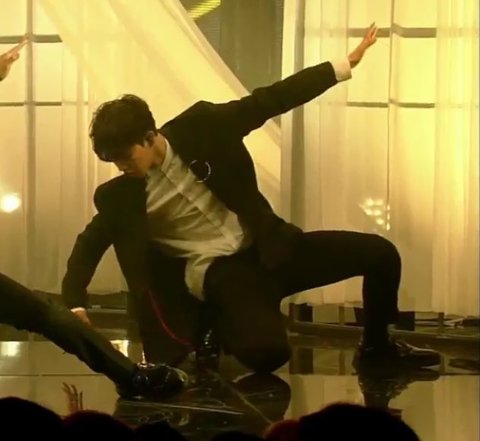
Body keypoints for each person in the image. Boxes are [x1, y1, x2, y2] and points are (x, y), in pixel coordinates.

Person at [62, 23, 441, 373]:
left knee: (380, 254)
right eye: (113, 161)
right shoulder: (121, 197)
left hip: (269, 248)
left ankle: (376, 348)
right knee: (268, 355)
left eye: (126, 156)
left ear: (149, 136)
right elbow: (88, 244)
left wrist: (340, 66)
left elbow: (269, 101)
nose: (122, 166)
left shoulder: (203, 127)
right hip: (223, 274)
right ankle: (216, 321)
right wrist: (75, 303)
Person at [0, 39, 187, 399]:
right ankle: (132, 376)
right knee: (43, 313)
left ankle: (132, 377)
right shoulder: (119, 196)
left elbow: (87, 248)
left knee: (43, 312)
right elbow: (89, 246)